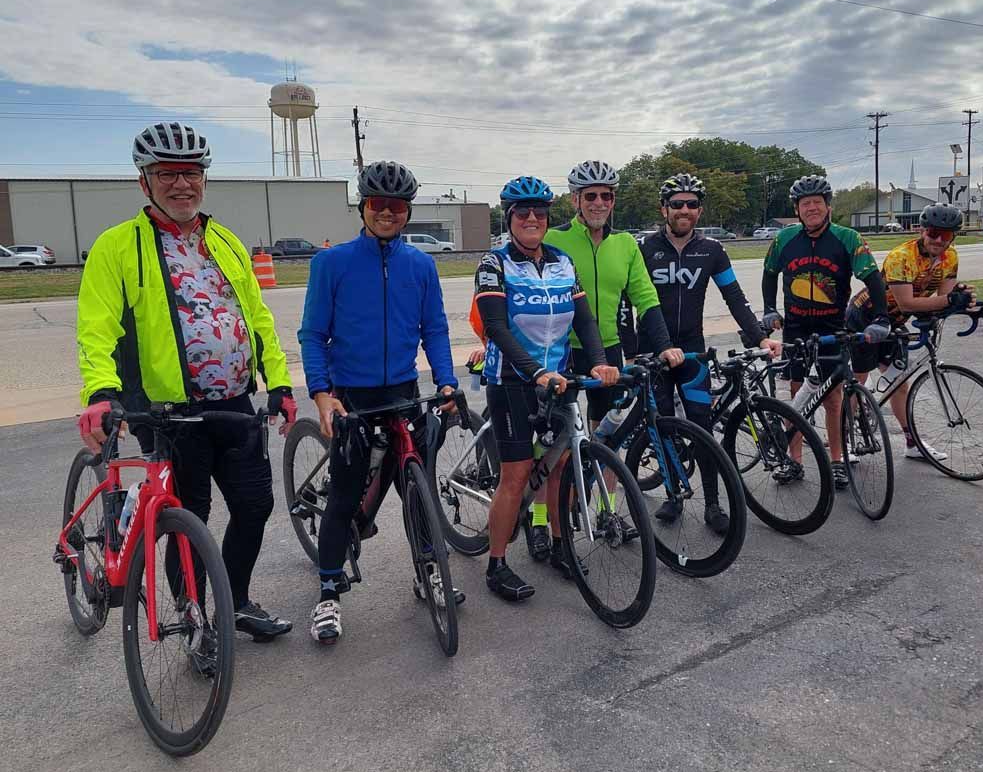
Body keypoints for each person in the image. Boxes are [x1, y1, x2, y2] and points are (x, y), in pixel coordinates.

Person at [76, 121, 297, 652]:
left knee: (253, 507)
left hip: (236, 404)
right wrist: (102, 392)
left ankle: (235, 600)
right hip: (170, 412)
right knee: (184, 519)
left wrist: (280, 382)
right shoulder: (117, 246)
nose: (182, 184)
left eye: (191, 173)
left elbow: (258, 318)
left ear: (203, 179)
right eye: (168, 174)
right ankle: (194, 618)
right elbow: (96, 325)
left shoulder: (224, 240)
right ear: (144, 183)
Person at [299, 160, 460, 645]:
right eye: (377, 204)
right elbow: (312, 334)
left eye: (396, 206)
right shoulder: (332, 263)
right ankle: (328, 592)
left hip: (404, 393)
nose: (387, 213)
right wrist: (323, 396)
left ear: (407, 212)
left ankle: (428, 572)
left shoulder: (422, 264)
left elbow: (434, 329)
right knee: (346, 494)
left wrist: (448, 383)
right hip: (353, 396)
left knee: (420, 491)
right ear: (363, 208)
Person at [472, 176, 619, 601]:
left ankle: (560, 547)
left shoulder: (561, 262)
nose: (532, 218)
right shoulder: (494, 264)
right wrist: (534, 371)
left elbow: (585, 320)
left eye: (539, 212)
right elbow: (497, 326)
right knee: (517, 475)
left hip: (558, 379)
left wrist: (599, 362)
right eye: (523, 212)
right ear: (510, 217)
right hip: (512, 381)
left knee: (559, 467)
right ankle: (496, 565)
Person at [534, 160, 682, 558]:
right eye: (591, 196)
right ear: (575, 200)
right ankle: (539, 520)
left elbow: (646, 298)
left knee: (607, 438)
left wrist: (665, 343)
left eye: (607, 195)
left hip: (609, 351)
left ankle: (605, 512)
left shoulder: (625, 244)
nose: (600, 202)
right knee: (554, 444)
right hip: (561, 350)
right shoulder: (555, 240)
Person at [621, 173, 782, 531]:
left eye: (691, 204)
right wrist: (631, 354)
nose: (684, 210)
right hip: (653, 355)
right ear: (664, 209)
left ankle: (712, 504)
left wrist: (759, 339)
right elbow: (625, 303)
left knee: (703, 428)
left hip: (692, 353)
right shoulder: (644, 249)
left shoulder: (711, 250)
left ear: (699, 210)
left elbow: (735, 298)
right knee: (661, 428)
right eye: (677, 204)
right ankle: (673, 496)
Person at [761, 175, 890, 489]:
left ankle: (836, 461)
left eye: (817, 202)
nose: (812, 208)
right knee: (796, 394)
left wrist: (882, 317)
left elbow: (873, 279)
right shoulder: (785, 239)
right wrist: (768, 309)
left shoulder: (847, 238)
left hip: (832, 327)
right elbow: (769, 274)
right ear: (797, 209)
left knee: (833, 398)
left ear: (828, 206)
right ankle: (794, 461)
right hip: (796, 327)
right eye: (805, 204)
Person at [846, 202, 975, 460]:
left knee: (899, 384)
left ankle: (912, 443)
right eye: (933, 233)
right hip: (866, 316)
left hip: (895, 321)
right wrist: (949, 302)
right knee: (856, 383)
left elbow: (943, 298)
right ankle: (847, 440)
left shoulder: (951, 257)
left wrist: (966, 303)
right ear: (922, 230)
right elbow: (909, 303)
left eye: (946, 235)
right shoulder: (901, 257)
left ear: (954, 236)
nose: (938, 240)